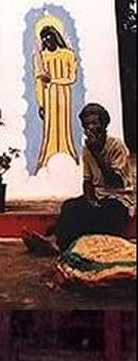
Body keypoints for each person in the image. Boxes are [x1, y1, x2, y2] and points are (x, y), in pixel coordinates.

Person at [23, 102, 135, 255]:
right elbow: (87, 180)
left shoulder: (116, 146)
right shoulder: (87, 148)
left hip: (119, 200)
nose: (91, 128)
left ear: (103, 124)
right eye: (87, 124)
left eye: (95, 123)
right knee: (70, 206)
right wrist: (90, 199)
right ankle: (53, 239)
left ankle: (55, 240)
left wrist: (97, 154)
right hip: (99, 197)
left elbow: (116, 182)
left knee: (97, 215)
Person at [33, 21, 79, 172]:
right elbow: (39, 82)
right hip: (48, 96)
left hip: (63, 94)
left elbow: (72, 77)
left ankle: (68, 152)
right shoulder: (41, 57)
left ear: (56, 37)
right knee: (50, 127)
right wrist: (41, 104)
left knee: (64, 125)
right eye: (43, 38)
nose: (46, 40)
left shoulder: (68, 54)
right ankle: (48, 156)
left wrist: (53, 80)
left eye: (48, 36)